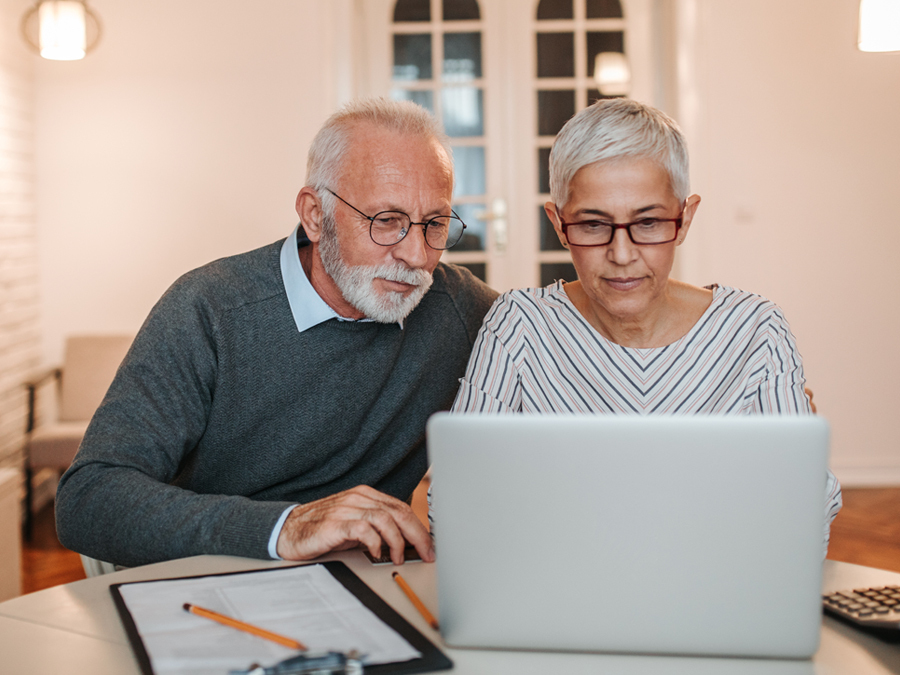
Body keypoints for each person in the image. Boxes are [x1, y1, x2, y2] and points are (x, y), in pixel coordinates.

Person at [55, 98, 497, 568]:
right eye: (386, 221)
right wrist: (287, 526)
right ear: (314, 213)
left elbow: (556, 325)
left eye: (434, 224)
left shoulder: (458, 307)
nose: (415, 254)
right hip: (203, 572)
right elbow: (88, 498)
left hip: (361, 584)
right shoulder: (210, 309)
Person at [448, 98, 841, 549]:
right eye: (593, 225)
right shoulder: (518, 325)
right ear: (558, 224)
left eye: (649, 222)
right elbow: (459, 500)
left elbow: (805, 510)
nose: (621, 255)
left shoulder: (756, 331)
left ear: (685, 218)